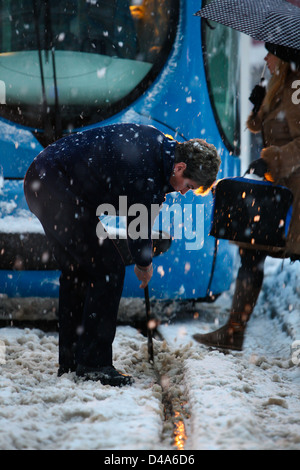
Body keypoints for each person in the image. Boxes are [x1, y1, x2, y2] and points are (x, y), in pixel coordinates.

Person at [24, 123, 221, 385]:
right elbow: (137, 227)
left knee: (77, 271)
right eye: (189, 185)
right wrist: (144, 264)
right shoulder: (148, 169)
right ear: (180, 167)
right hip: (55, 188)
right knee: (108, 269)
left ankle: (72, 360)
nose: (185, 191)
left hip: (42, 179)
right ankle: (94, 363)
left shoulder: (157, 147)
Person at [194, 42, 300, 352]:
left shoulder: (296, 90)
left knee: (254, 254)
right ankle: (234, 330)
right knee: (251, 254)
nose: (265, 57)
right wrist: (259, 106)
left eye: (270, 53)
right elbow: (266, 128)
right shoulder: (278, 85)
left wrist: (271, 160)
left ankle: (234, 330)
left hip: (294, 196)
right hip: (279, 193)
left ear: (284, 57)